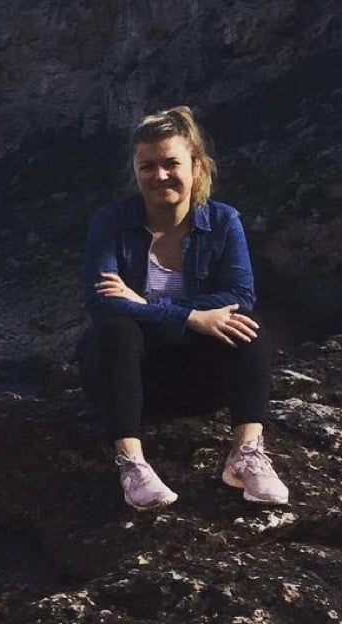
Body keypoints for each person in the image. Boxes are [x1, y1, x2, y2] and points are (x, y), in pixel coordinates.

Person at [78, 105, 289, 510]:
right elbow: (105, 306)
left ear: (196, 167)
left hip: (197, 382)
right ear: (136, 171)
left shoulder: (224, 221)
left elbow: (239, 295)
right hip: (125, 380)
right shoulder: (110, 223)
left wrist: (146, 304)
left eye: (170, 163)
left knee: (245, 324)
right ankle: (132, 463)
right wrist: (190, 316)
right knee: (117, 329)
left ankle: (245, 455)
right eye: (147, 166)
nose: (159, 176)